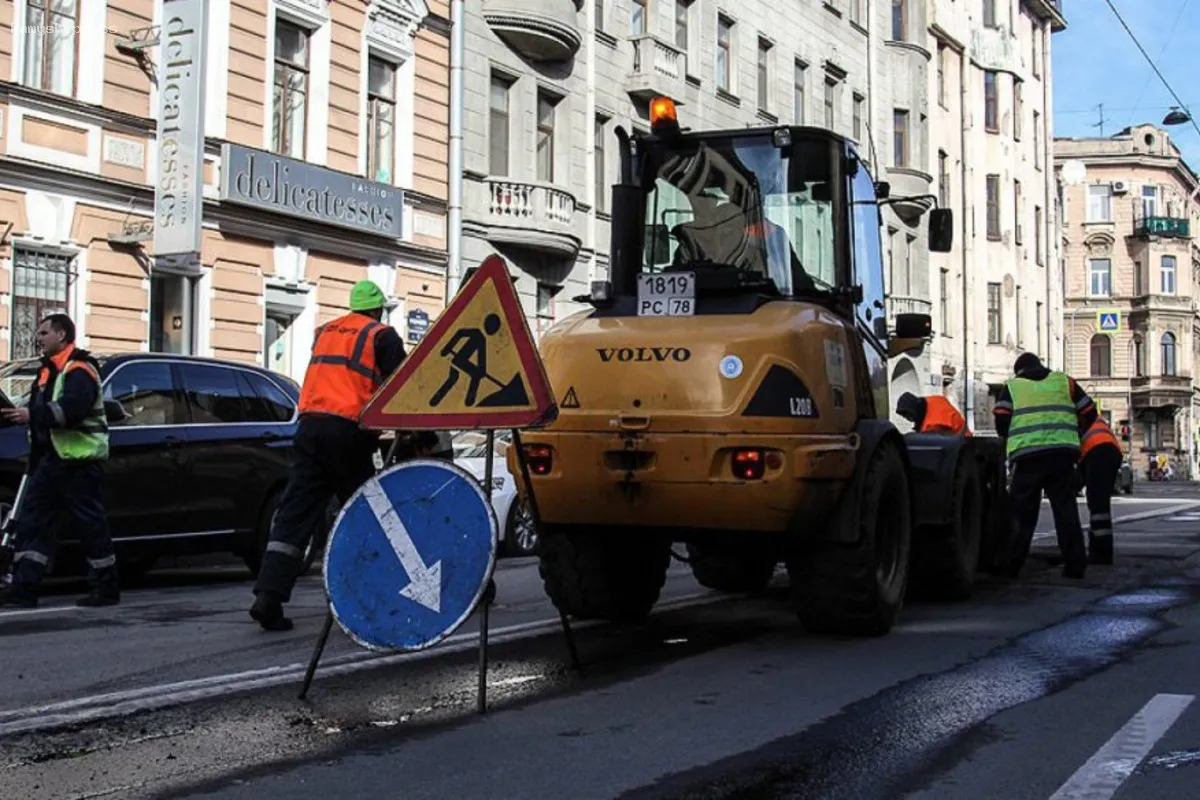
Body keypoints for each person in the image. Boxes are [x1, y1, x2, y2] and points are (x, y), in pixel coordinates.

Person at [250, 280, 406, 631]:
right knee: (367, 513)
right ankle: (376, 594)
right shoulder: (382, 336)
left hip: (307, 428)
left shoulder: (325, 332)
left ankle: (268, 597)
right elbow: (402, 387)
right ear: (377, 310)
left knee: (294, 514)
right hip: (347, 433)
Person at [0, 314, 117, 608]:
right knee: (32, 524)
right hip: (50, 461)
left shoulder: (79, 368)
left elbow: (73, 409)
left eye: (44, 332)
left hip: (78, 462)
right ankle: (25, 589)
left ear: (61, 335)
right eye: (38, 332)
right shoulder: (47, 370)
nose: (38, 338)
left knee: (90, 525)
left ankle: (105, 588)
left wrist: (32, 416)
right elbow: (41, 412)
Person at [993, 352, 1097, 579]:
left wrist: (1012, 440)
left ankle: (1011, 567)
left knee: (1021, 515)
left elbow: (1001, 420)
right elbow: (1089, 411)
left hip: (1028, 457)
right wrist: (1076, 434)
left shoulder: (1012, 387)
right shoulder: (1064, 381)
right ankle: (1075, 566)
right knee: (1065, 510)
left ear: (1019, 371)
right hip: (1062, 455)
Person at [1079, 415, 1122, 565]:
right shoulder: (1081, 412)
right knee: (1099, 503)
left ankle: (1102, 553)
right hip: (1110, 450)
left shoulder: (1065, 417)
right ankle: (1100, 549)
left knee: (1098, 506)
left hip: (1097, 450)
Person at [896, 392, 971, 436]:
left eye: (909, 415)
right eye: (904, 416)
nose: (908, 418)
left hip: (963, 444)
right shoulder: (930, 401)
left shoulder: (934, 423)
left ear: (914, 409)